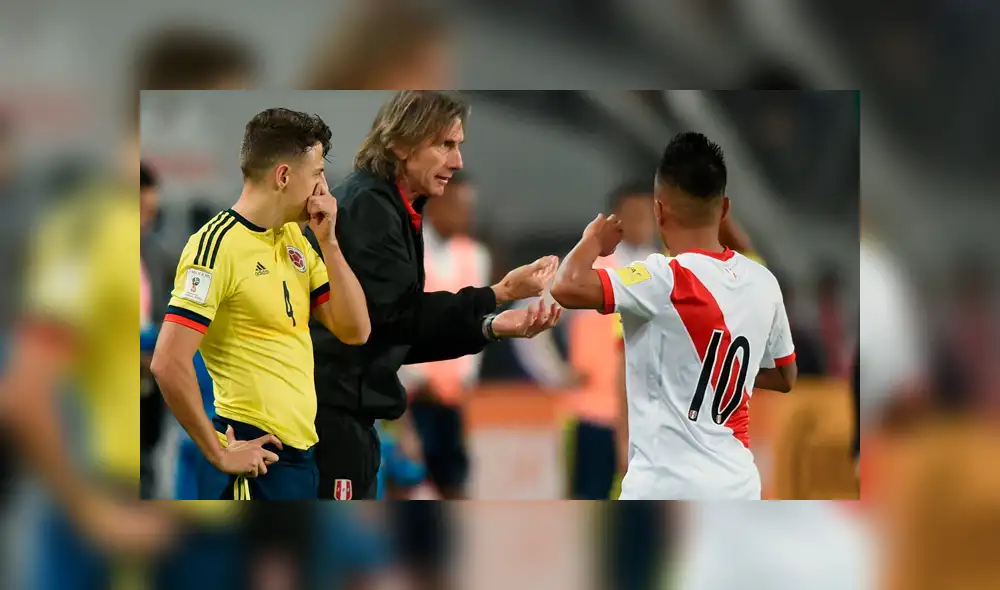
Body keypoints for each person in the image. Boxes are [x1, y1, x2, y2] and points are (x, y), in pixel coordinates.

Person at [305, 90, 561, 500]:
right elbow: (399, 320)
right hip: (328, 417)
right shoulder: (371, 206)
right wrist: (499, 294)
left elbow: (399, 331)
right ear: (400, 144)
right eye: (445, 145)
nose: (457, 162)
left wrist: (490, 326)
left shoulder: (391, 204)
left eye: (457, 146)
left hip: (347, 414)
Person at [551, 132, 798, 500]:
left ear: (659, 211)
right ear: (725, 210)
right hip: (739, 486)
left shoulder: (659, 278)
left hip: (664, 489)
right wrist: (722, 373)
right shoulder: (764, 281)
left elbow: (565, 286)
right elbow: (785, 376)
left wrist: (593, 240)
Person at [151, 108, 371, 500]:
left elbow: (356, 329)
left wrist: (330, 243)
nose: (324, 186)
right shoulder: (215, 246)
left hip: (301, 456)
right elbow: (167, 361)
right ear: (284, 176)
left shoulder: (295, 238)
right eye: (317, 171)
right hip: (255, 457)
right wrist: (218, 451)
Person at [397, 171, 490, 499]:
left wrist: (465, 379)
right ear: (435, 206)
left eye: (470, 208)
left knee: (454, 483)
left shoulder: (476, 256)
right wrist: (416, 379)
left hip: (451, 400)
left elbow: (478, 321)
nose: (466, 216)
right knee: (405, 483)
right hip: (410, 399)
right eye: (459, 207)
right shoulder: (407, 251)